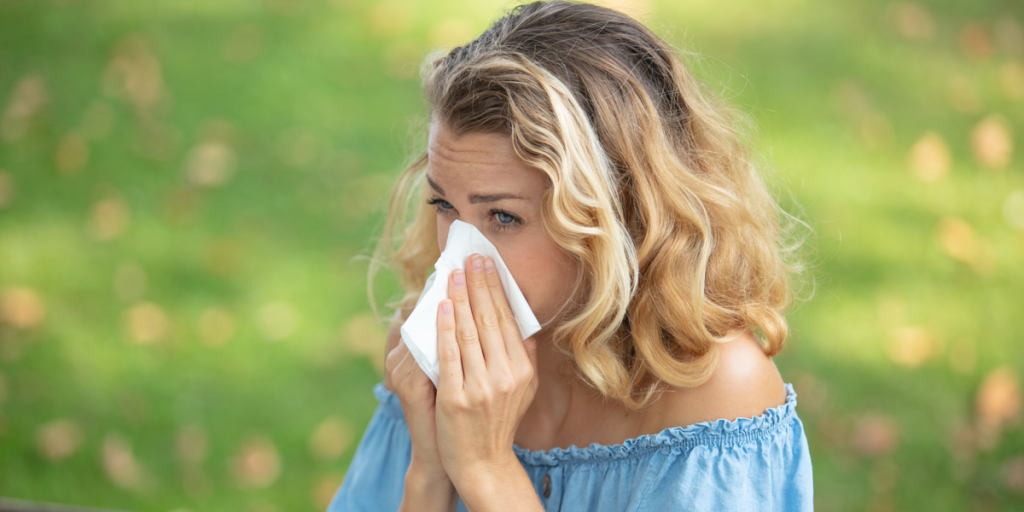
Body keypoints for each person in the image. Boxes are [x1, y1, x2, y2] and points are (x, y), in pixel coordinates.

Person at [329, 1, 813, 510]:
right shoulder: (429, 357)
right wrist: (429, 472)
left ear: (614, 221)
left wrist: (486, 470)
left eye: (503, 217)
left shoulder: (718, 398)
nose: (457, 256)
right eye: (444, 204)